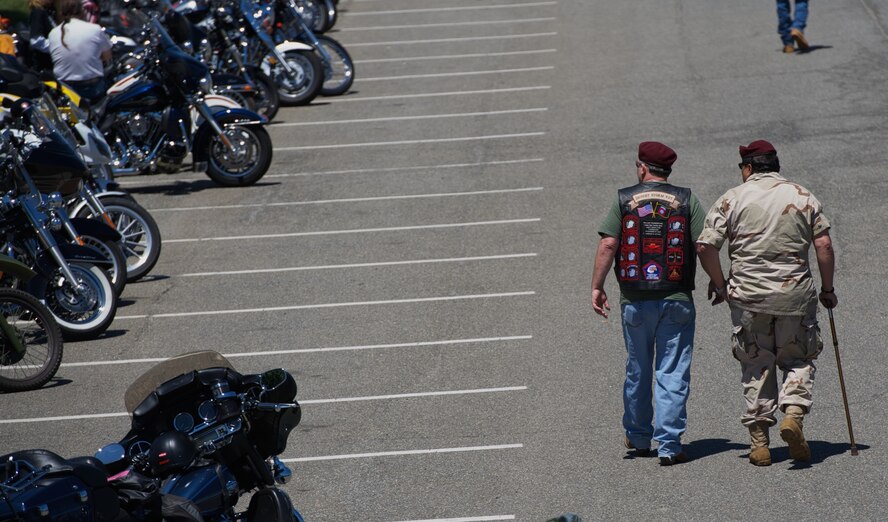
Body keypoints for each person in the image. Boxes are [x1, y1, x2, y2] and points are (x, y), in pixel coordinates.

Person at [696, 140, 836, 466]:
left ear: (747, 168)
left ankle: (759, 442)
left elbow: (705, 247)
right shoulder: (802, 196)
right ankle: (793, 415)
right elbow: (824, 244)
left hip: (749, 299)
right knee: (798, 359)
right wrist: (827, 289)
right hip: (795, 297)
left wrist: (721, 285)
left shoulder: (733, 198)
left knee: (756, 363)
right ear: (776, 165)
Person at [591, 141, 705, 466]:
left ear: (642, 168)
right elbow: (704, 244)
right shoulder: (687, 199)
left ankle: (639, 437)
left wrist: (597, 287)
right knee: (671, 371)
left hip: (635, 299)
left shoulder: (624, 198)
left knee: (638, 369)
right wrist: (719, 282)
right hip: (677, 298)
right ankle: (669, 444)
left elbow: (609, 243)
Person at [47, 0, 112, 103]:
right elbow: (107, 56)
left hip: (65, 89)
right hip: (92, 88)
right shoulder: (95, 29)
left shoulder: (53, 33)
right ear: (82, 11)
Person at [28, 0, 55, 71]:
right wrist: (57, 47)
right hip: (43, 65)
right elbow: (36, 41)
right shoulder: (37, 12)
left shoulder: (48, 11)